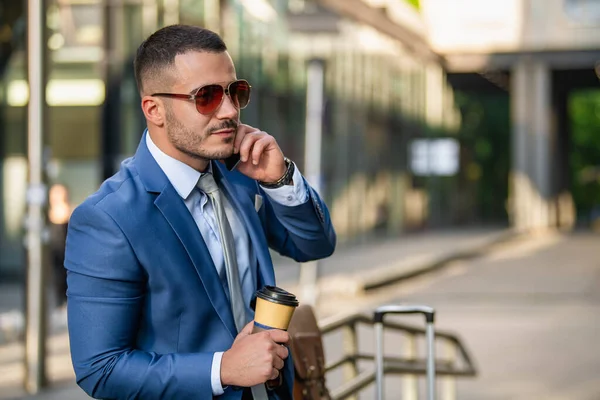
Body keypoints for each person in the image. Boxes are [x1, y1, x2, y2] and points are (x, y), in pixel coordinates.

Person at [64, 24, 336, 400]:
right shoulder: (108, 219)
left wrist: (281, 179)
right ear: (154, 109)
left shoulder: (243, 174)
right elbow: (101, 369)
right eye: (206, 97)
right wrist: (222, 369)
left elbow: (315, 246)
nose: (229, 111)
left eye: (235, 93)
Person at [48, 183, 71, 308]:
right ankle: (59, 302)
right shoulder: (48, 216)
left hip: (67, 253)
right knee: (56, 277)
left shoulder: (72, 215)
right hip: (55, 253)